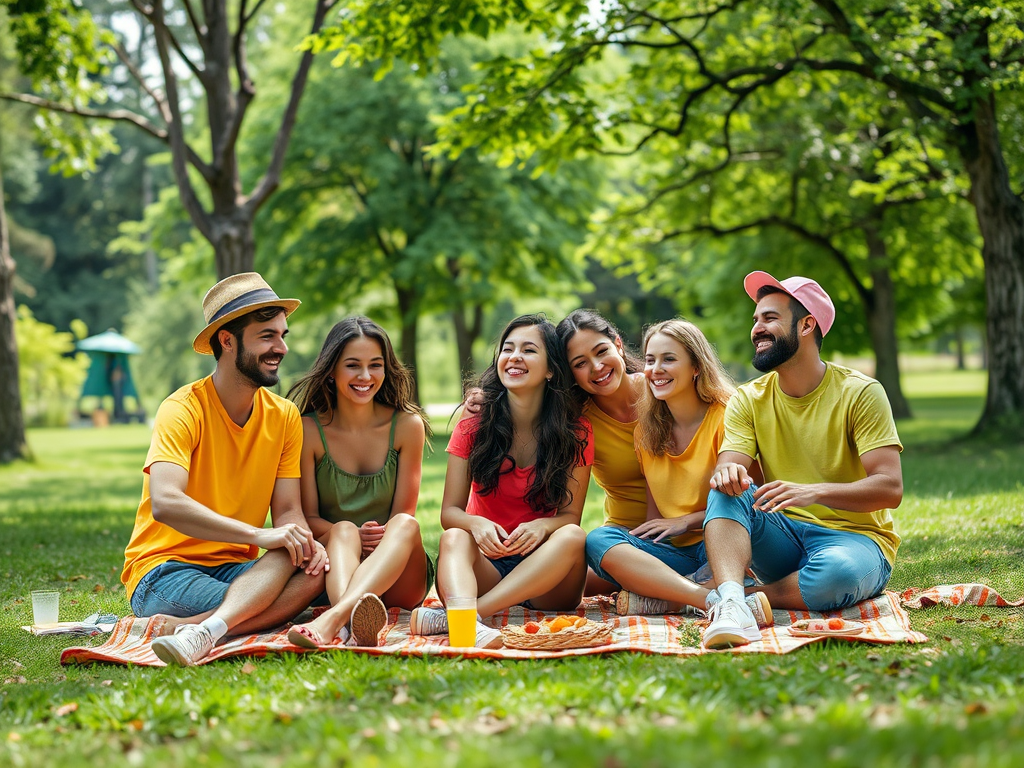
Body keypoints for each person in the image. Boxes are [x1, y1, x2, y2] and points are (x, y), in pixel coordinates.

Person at [122, 273, 328, 666]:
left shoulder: (283, 416)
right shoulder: (182, 408)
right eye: (267, 336)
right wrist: (259, 534)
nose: (281, 348)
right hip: (165, 570)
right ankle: (227, 620)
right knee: (272, 598)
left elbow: (287, 511)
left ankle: (201, 628)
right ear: (227, 341)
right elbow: (166, 502)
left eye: (283, 335)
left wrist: (303, 543)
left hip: (239, 569)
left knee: (316, 569)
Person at [702, 272, 903, 649]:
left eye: (770, 318)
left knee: (835, 575)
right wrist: (727, 471)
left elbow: (890, 488)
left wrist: (815, 492)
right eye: (756, 319)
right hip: (785, 537)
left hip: (856, 540)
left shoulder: (860, 393)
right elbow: (730, 466)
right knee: (726, 490)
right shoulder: (749, 398)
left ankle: (754, 598)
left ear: (807, 324)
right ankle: (730, 602)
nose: (757, 329)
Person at [409, 314, 594, 648]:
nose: (515, 356)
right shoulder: (473, 425)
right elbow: (449, 511)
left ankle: (467, 617)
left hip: (548, 576)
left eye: (529, 350)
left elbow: (571, 517)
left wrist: (542, 527)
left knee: (572, 536)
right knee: (454, 537)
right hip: (487, 566)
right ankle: (469, 628)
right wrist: (476, 524)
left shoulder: (576, 432)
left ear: (551, 368)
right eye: (508, 348)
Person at [585, 320, 773, 629]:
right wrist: (640, 551)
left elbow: (754, 504)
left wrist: (686, 521)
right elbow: (654, 518)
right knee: (599, 540)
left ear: (696, 366)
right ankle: (711, 599)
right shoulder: (646, 432)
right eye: (650, 360)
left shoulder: (726, 417)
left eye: (668, 359)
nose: (656, 369)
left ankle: (679, 593)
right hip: (679, 553)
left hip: (727, 549)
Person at [283, 317, 432, 648]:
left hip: (398, 572)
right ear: (332, 371)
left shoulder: (408, 426)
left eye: (375, 365)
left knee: (407, 524)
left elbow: (401, 514)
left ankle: (333, 619)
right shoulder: (307, 430)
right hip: (341, 564)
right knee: (343, 530)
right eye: (353, 366)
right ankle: (353, 621)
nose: (365, 377)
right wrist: (351, 533)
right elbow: (308, 518)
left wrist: (375, 537)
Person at [555, 309, 647, 595]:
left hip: (692, 527)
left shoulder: (661, 389)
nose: (596, 367)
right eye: (580, 363)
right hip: (625, 544)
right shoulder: (579, 422)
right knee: (564, 581)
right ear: (570, 374)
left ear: (618, 344)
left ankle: (664, 590)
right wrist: (484, 398)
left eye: (601, 351)